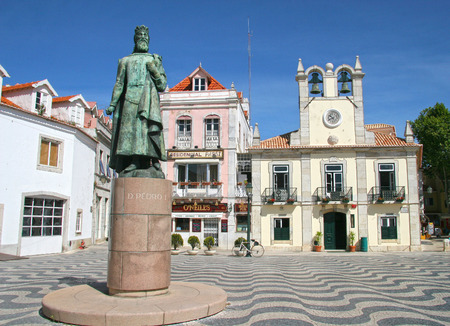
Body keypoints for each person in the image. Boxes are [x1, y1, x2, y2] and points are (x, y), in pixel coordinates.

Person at [106, 25, 167, 178]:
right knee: (132, 132)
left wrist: (153, 69)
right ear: (135, 40)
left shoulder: (154, 59)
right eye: (140, 37)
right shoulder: (125, 61)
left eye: (145, 37)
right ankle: (134, 161)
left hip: (148, 100)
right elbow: (119, 83)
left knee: (147, 130)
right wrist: (113, 103)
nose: (143, 39)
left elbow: (162, 85)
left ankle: (153, 160)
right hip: (129, 99)